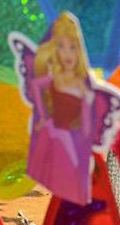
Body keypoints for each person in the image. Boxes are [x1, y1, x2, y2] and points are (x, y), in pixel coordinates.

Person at [29, 13, 97, 204]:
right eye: (61, 46)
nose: (67, 53)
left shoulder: (82, 87)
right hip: (51, 132)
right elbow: (35, 85)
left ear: (80, 52)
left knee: (71, 183)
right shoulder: (55, 77)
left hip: (67, 138)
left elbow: (86, 128)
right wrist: (43, 116)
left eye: (72, 47)